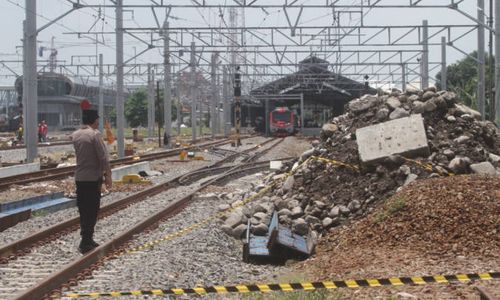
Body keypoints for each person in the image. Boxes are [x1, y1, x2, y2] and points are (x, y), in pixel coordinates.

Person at [71, 109, 112, 254]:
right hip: (93, 178)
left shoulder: (75, 135)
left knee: (83, 208)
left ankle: (86, 237)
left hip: (80, 178)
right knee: (92, 208)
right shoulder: (95, 135)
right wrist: (108, 177)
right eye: (97, 120)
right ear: (94, 120)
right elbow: (103, 158)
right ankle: (86, 240)